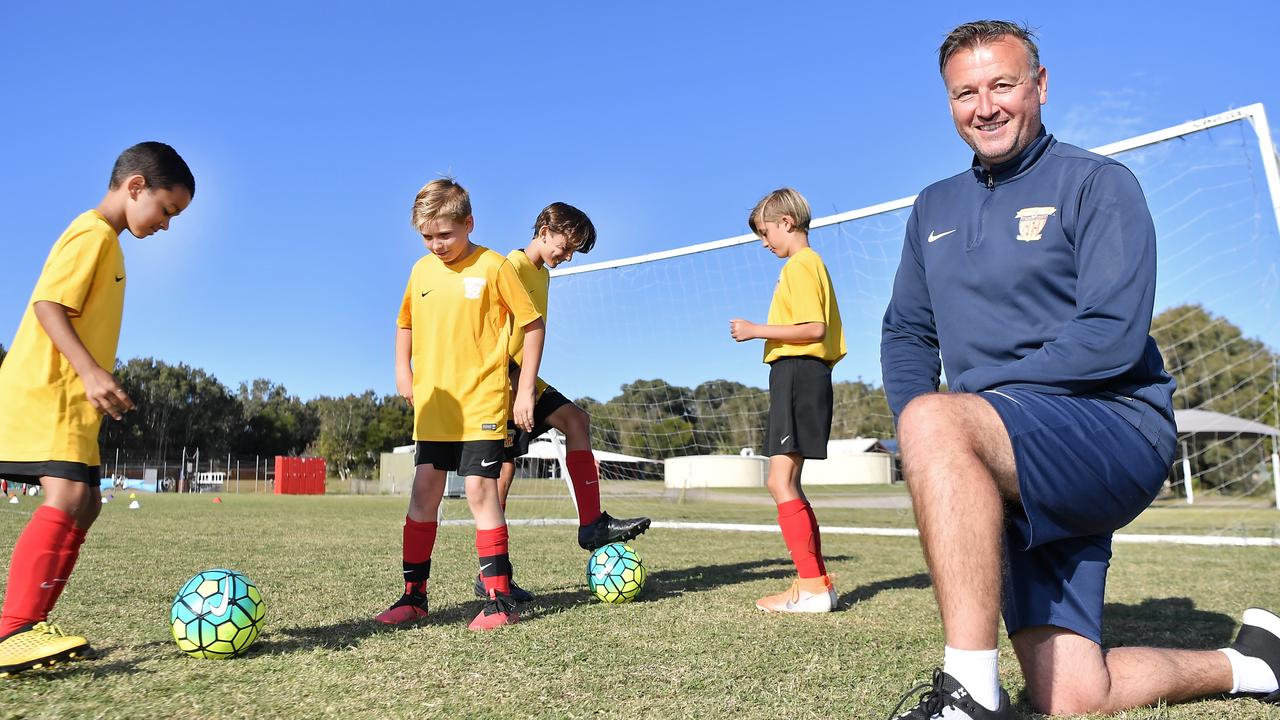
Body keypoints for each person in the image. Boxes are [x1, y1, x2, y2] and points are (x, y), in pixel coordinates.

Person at [880, 20, 1280, 718]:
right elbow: (907, 331)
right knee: (1071, 696)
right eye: (964, 93)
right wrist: (926, 435)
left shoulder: (1098, 183)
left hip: (1111, 427)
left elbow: (1112, 335)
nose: (985, 106)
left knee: (938, 419)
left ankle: (968, 694)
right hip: (1005, 449)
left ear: (1039, 84)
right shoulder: (932, 208)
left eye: (1002, 84)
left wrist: (952, 423)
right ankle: (1252, 664)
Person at [0, 142, 194, 674]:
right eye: (166, 210)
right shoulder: (92, 233)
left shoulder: (110, 244)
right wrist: (89, 371)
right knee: (67, 496)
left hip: (71, 398)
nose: (167, 225)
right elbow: (47, 304)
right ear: (136, 187)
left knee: (88, 503)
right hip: (48, 389)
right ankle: (12, 630)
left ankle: (32, 624)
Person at [379, 178, 545, 631]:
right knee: (423, 494)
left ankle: (499, 600)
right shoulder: (420, 271)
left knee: (479, 491)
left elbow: (532, 325)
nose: (436, 245)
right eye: (427, 237)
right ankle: (413, 597)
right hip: (435, 402)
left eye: (445, 235)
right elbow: (405, 323)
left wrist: (525, 388)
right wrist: (402, 369)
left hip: (482, 400)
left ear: (469, 223)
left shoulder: (493, 266)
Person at [479, 202, 651, 602]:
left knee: (577, 420)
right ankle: (492, 576)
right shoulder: (513, 267)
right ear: (544, 230)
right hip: (502, 382)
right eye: (565, 245)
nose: (567, 256)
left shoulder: (542, 274)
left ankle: (591, 523)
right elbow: (496, 333)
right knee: (501, 476)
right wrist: (517, 390)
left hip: (525, 380)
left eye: (574, 251)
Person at [729, 188, 844, 613]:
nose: (765, 243)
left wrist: (756, 329)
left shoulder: (802, 265)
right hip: (799, 376)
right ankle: (815, 583)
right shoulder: (808, 265)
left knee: (779, 481)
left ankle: (813, 588)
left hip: (797, 373)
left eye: (765, 232)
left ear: (786, 223)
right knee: (785, 481)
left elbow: (813, 329)